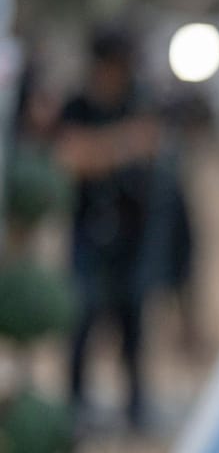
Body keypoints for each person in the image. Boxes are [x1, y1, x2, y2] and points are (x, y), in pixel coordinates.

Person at [53, 26, 160, 431]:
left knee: (132, 327)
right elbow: (70, 156)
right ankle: (75, 408)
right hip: (86, 233)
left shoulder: (138, 100)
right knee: (80, 323)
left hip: (131, 237)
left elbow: (150, 144)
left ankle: (136, 410)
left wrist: (102, 149)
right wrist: (120, 145)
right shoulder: (79, 104)